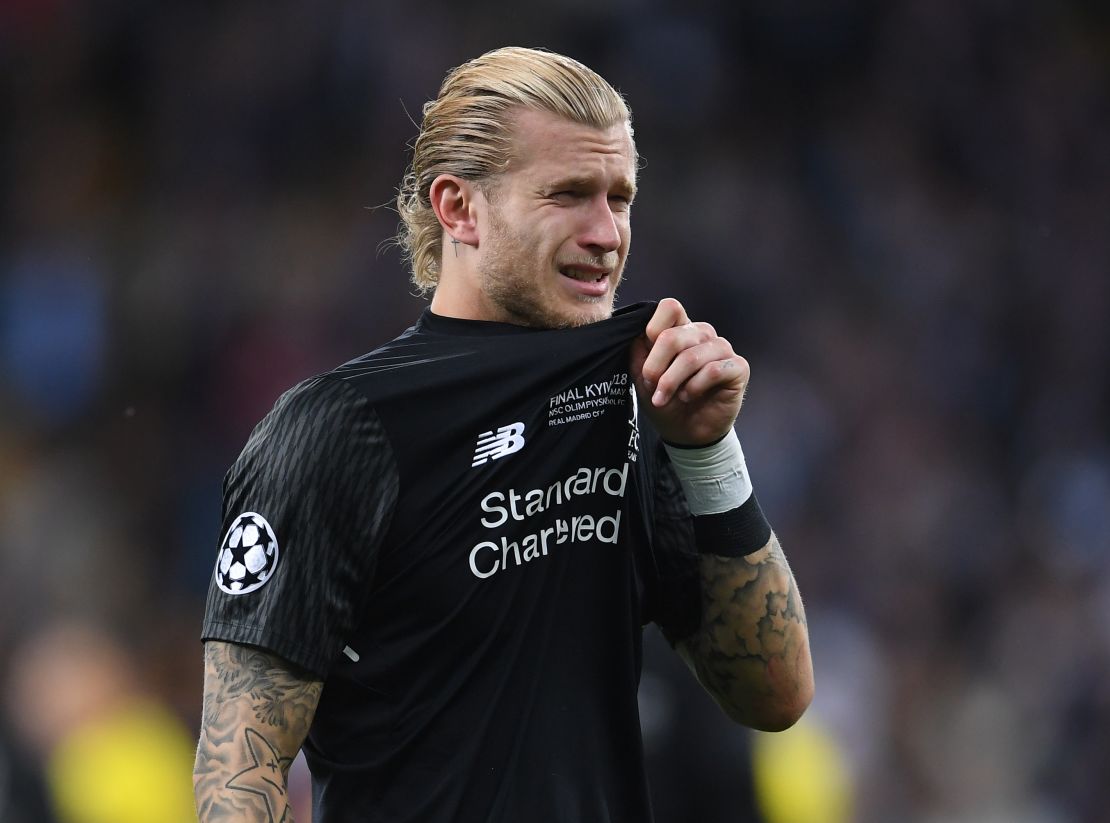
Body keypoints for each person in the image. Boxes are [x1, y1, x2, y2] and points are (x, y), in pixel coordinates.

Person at [193, 46, 814, 823]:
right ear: (458, 207)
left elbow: (775, 694)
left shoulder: (635, 402)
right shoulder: (340, 429)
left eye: (620, 198)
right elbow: (237, 768)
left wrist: (708, 450)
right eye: (569, 194)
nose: (606, 233)